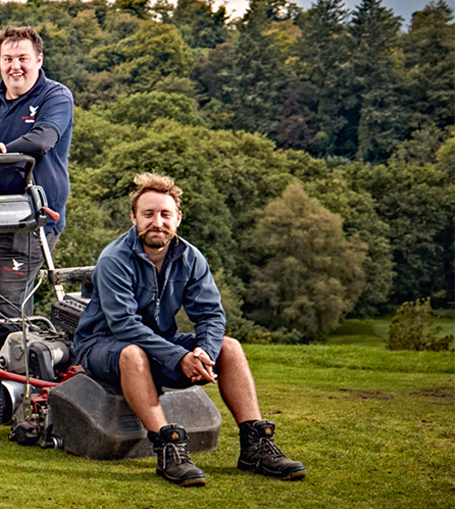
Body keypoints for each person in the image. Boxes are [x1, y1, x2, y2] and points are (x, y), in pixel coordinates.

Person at [72, 172, 308, 487]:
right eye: (148, 214)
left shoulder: (191, 257)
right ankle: (168, 448)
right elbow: (124, 325)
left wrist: (203, 353)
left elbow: (211, 313)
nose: (157, 222)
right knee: (132, 353)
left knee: (229, 347)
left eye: (165, 214)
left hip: (160, 343)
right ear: (134, 217)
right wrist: (178, 357)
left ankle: (256, 447)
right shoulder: (114, 259)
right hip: (103, 346)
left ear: (178, 218)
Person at [0, 25, 75, 354]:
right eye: (8, 58)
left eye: (23, 58)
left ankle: (20, 374)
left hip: (31, 218)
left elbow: (42, 139)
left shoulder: (55, 96)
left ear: (39, 60)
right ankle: (9, 373)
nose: (14, 66)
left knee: (4, 303)